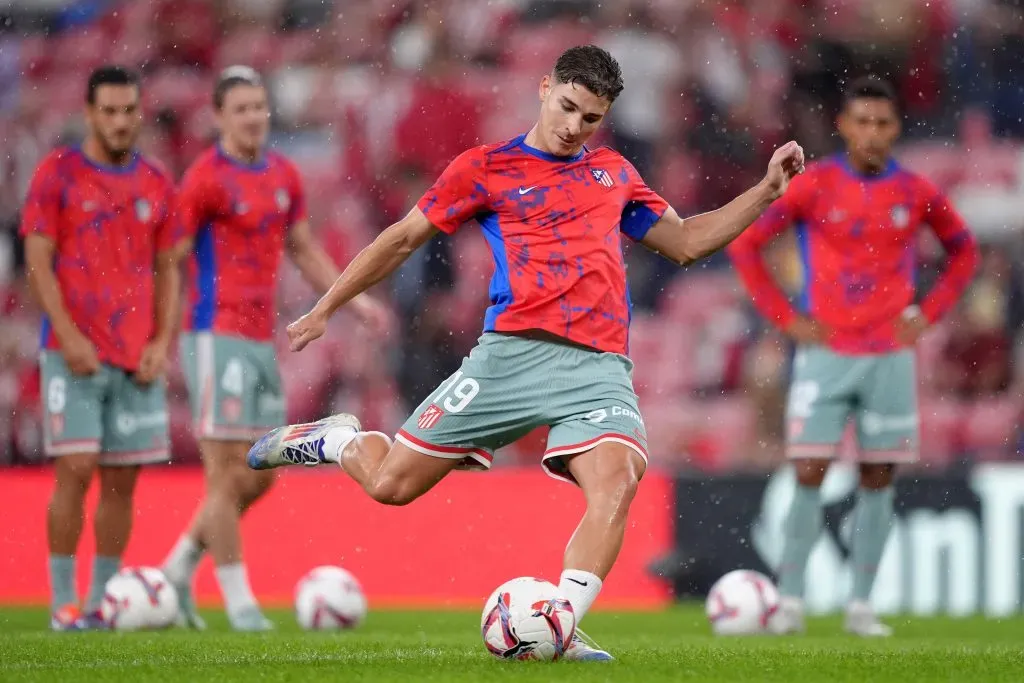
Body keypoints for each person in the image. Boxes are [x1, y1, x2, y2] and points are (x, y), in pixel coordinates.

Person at [247, 45, 805, 659]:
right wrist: (329, 304)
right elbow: (403, 238)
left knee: (618, 479)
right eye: (566, 107)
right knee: (389, 487)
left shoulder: (614, 174)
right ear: (545, 88)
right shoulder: (485, 168)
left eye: (589, 118)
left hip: (597, 366)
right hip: (510, 357)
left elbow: (689, 242)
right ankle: (337, 440)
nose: (573, 127)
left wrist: (766, 191)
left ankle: (559, 626)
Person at [728, 76, 979, 636]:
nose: (872, 133)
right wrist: (785, 317)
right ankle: (790, 601)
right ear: (843, 126)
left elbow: (964, 250)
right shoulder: (813, 186)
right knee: (808, 472)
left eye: (882, 123)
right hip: (827, 353)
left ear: (896, 129)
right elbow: (746, 244)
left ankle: (861, 604)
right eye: (862, 121)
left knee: (877, 478)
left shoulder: (915, 192)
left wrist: (928, 312)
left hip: (890, 353)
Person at [158, 66, 385, 631]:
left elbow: (303, 248)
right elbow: (170, 255)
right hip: (215, 334)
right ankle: (239, 605)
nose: (254, 117)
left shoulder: (283, 175)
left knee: (258, 471)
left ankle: (176, 569)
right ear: (218, 117)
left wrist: (349, 302)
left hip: (260, 342)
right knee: (225, 473)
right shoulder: (205, 178)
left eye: (259, 106)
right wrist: (159, 330)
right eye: (241, 109)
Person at [21, 66, 179, 630]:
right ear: (89, 113)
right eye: (108, 111)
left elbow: (169, 268)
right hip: (73, 351)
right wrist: (64, 333)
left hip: (136, 356)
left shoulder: (157, 182)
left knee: (121, 478)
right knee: (76, 468)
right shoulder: (57, 173)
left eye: (128, 110)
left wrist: (163, 340)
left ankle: (102, 601)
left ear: (139, 113)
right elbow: (37, 258)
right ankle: (63, 603)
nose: (119, 121)